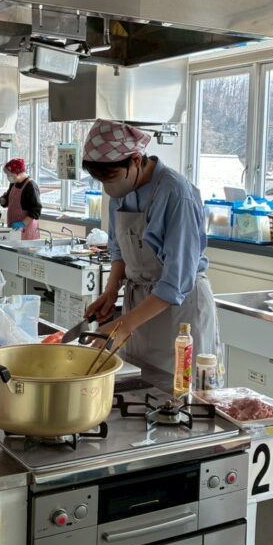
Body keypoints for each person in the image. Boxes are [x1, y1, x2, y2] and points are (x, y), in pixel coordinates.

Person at [82, 120, 218, 375]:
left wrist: (124, 324)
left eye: (111, 178)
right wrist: (111, 291)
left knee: (179, 386)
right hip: (139, 308)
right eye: (100, 180)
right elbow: (119, 250)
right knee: (140, 380)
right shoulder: (121, 191)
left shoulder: (176, 193)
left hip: (180, 312)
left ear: (135, 160)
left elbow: (176, 281)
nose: (108, 188)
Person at [0, 158, 41, 240]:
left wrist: (23, 223)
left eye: (10, 174)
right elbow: (9, 198)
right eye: (7, 174)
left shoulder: (30, 186)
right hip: (14, 228)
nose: (8, 177)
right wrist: (2, 200)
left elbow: (36, 210)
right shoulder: (14, 183)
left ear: (19, 173)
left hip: (26, 229)